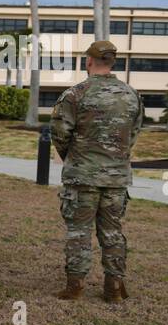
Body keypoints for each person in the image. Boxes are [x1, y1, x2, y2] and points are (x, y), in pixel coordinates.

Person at [50, 41, 144, 303]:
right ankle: (114, 286)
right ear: (112, 62)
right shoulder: (131, 95)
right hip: (116, 178)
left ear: (88, 61)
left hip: (82, 176)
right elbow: (133, 134)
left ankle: (75, 285)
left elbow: (60, 133)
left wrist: (74, 157)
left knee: (79, 231)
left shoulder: (75, 94)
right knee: (112, 231)